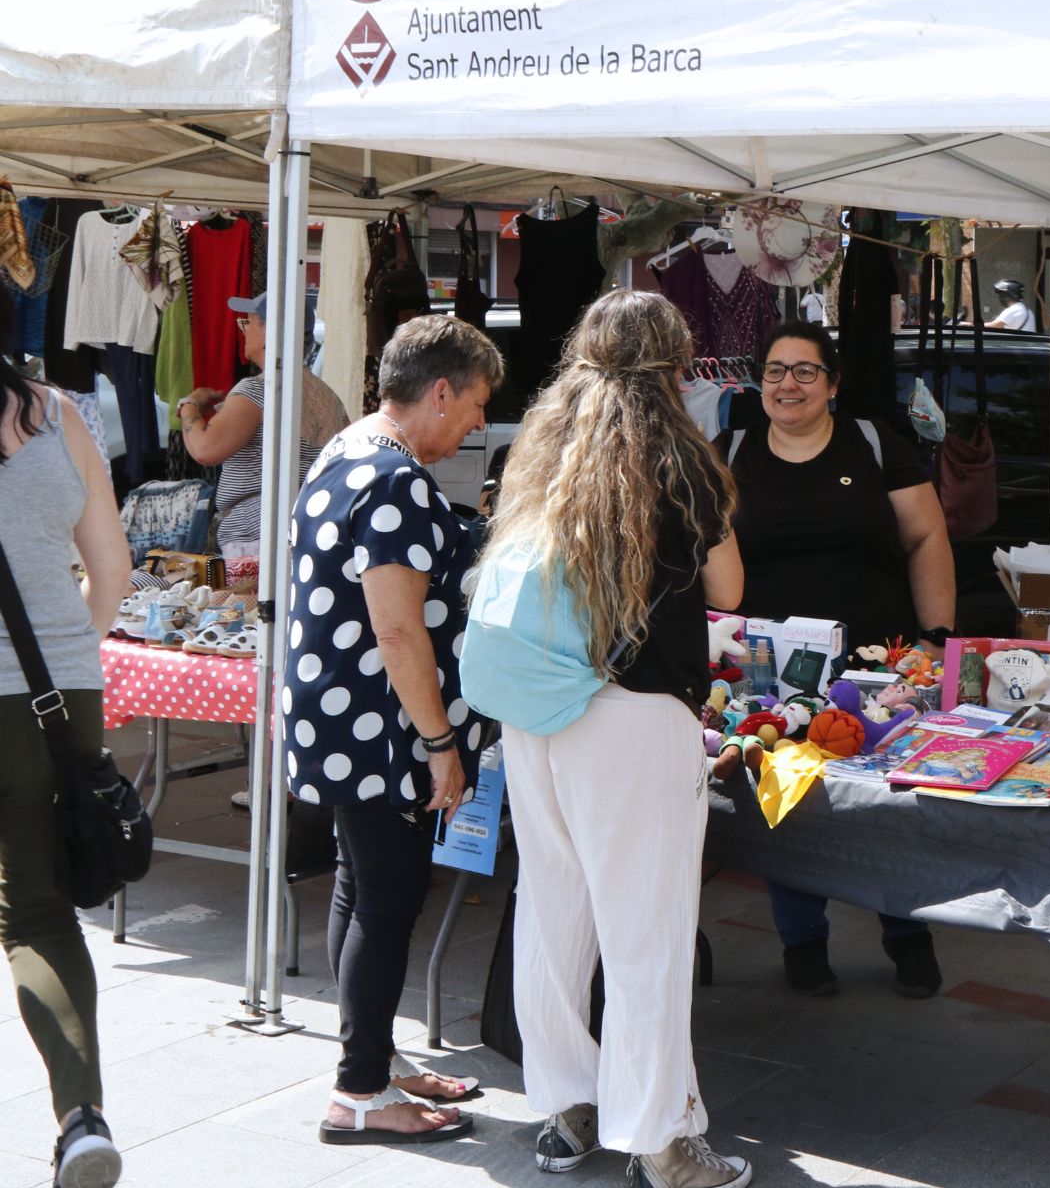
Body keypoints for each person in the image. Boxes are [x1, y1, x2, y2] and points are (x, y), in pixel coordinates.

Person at [492, 292, 751, 1188]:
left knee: (550, 907)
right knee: (647, 931)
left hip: (534, 704)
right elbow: (728, 586)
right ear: (674, 365)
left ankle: (565, 1108)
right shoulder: (681, 460)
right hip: (635, 713)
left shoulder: (541, 447)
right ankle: (661, 1140)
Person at [283, 314, 501, 1147]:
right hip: (381, 729)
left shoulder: (344, 451)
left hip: (344, 719)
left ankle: (372, 1056)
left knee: (361, 883)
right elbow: (399, 629)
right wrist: (441, 742)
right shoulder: (395, 478)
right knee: (387, 894)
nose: (477, 422)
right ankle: (360, 1091)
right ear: (440, 391)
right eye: (476, 404)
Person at [725, 320, 955, 999]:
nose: (787, 384)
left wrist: (936, 637)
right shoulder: (729, 451)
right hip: (768, 675)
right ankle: (802, 942)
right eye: (774, 370)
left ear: (832, 383)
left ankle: (907, 934)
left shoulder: (874, 443)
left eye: (805, 370)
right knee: (788, 806)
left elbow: (927, 536)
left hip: (876, 668)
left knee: (887, 811)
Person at [0, 291, 132, 1187]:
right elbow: (111, 571)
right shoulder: (57, 415)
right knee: (41, 914)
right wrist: (61, 659)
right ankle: (81, 1116)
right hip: (59, 693)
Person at [176, 292, 350, 588]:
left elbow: (205, 448)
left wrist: (189, 406)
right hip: (310, 531)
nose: (242, 330)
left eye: (247, 322)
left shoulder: (259, 390)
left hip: (258, 539)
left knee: (251, 614)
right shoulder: (328, 398)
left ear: (270, 331)